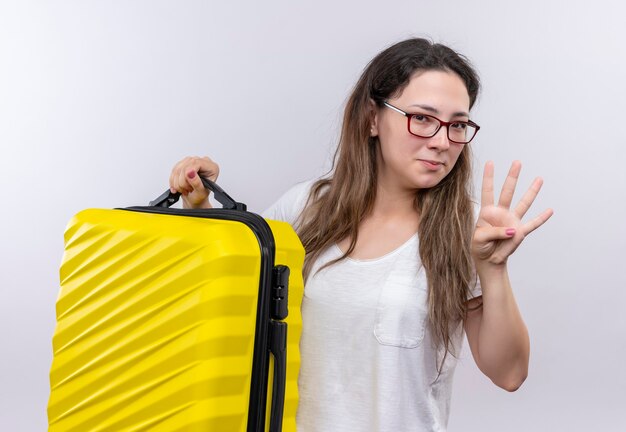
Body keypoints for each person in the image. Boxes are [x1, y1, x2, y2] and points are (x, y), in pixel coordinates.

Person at [168, 38, 553, 432]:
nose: (441, 141)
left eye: (457, 125)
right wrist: (199, 206)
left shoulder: (469, 228)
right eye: (421, 117)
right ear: (372, 119)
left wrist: (493, 269)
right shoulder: (307, 206)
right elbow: (234, 303)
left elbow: (509, 374)